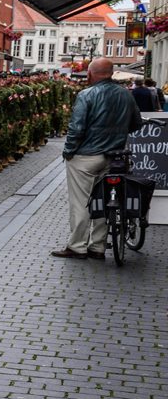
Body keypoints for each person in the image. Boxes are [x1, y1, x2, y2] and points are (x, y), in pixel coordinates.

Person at [55, 58, 142, 260]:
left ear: (90, 74)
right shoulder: (125, 94)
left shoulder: (86, 95)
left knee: (81, 201)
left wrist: (68, 152)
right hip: (114, 156)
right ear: (110, 73)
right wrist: (119, 133)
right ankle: (98, 246)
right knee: (105, 199)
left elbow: (76, 128)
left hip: (87, 155)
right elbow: (137, 123)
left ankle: (77, 246)